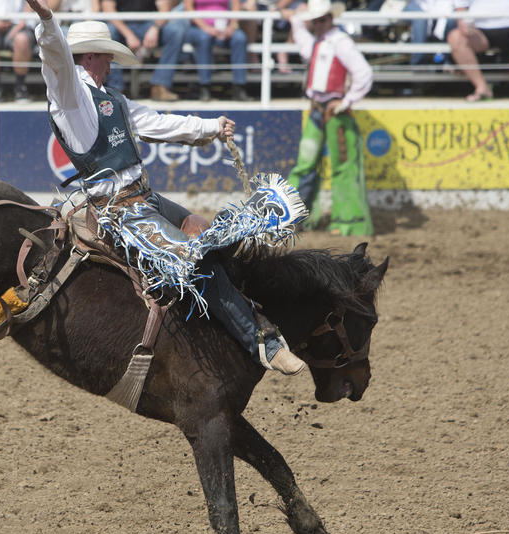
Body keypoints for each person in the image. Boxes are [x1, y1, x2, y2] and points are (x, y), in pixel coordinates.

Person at [20, 0, 308, 374]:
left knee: (201, 228)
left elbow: (160, 123)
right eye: (106, 57)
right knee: (195, 259)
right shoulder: (69, 96)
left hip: (144, 200)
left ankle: (217, 323)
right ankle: (262, 341)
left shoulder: (113, 100)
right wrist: (46, 21)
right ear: (90, 56)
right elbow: (56, 59)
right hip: (119, 212)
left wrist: (209, 127)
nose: (110, 64)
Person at [286, 0, 373, 236]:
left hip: (332, 110)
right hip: (320, 108)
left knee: (337, 166)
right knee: (309, 165)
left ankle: (346, 221)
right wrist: (297, 16)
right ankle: (297, 217)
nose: (318, 25)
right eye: (315, 21)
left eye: (322, 20)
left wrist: (345, 102)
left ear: (330, 19)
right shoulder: (321, 41)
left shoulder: (340, 42)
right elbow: (299, 30)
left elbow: (364, 73)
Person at [447, 0, 509, 101]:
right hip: (479, 28)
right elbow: (461, 5)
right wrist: (462, 21)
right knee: (456, 38)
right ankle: (482, 88)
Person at [182, 0, 251, 101]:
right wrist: (206, 27)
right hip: (199, 28)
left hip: (224, 28)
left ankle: (239, 87)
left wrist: (231, 27)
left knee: (240, 38)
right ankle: (204, 87)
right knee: (204, 38)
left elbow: (236, 7)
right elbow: (188, 8)